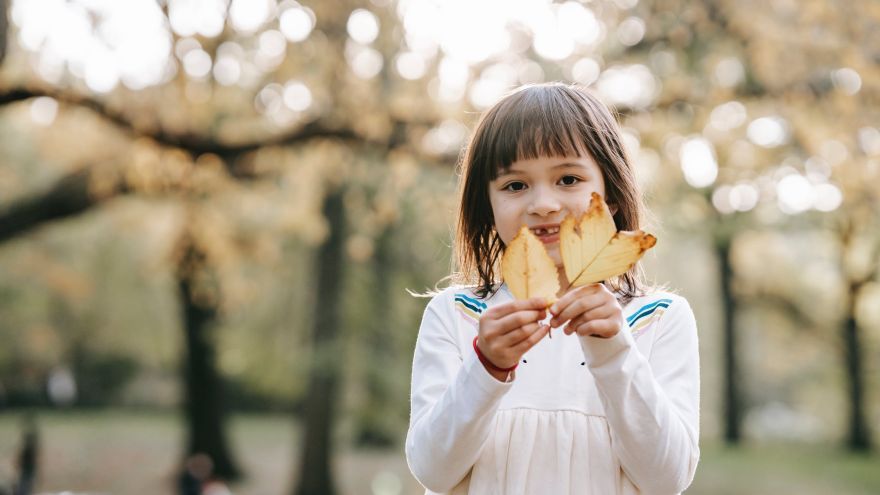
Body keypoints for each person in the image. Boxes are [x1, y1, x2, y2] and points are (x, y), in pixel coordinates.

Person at [405, 83, 700, 495]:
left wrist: (614, 350)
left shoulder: (658, 319)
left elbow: (667, 478)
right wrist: (486, 368)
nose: (543, 203)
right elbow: (433, 470)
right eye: (515, 185)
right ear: (486, 206)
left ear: (611, 196)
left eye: (568, 178)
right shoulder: (458, 315)